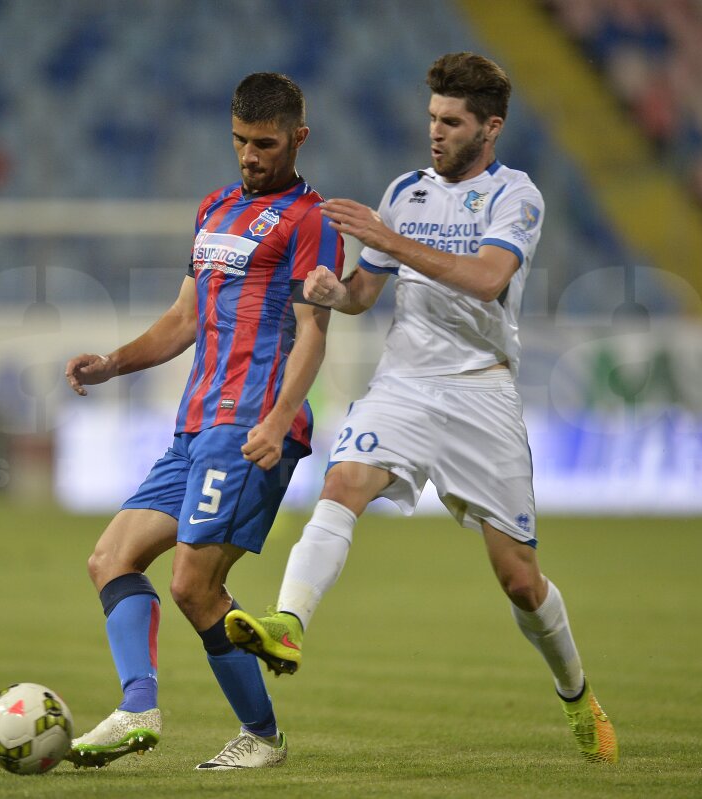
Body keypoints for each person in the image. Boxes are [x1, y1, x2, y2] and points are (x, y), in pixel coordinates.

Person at [225, 52, 619, 765]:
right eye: (432, 117)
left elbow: (487, 278)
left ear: (490, 127)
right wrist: (330, 289)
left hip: (481, 392)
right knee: (342, 483)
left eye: (453, 121)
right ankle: (288, 622)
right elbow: (365, 292)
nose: (435, 132)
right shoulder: (404, 190)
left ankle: (576, 692)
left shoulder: (515, 196)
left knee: (520, 579)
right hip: (404, 382)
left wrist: (387, 239)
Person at [63, 72, 344, 771]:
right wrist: (113, 363)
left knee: (192, 585)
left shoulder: (311, 222)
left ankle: (264, 735)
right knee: (110, 558)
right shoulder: (214, 208)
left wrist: (280, 419)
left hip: (252, 426)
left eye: (265, 143)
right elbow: (185, 319)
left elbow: (313, 330)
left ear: (298, 138)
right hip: (194, 428)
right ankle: (137, 706)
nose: (249, 156)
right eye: (240, 141)